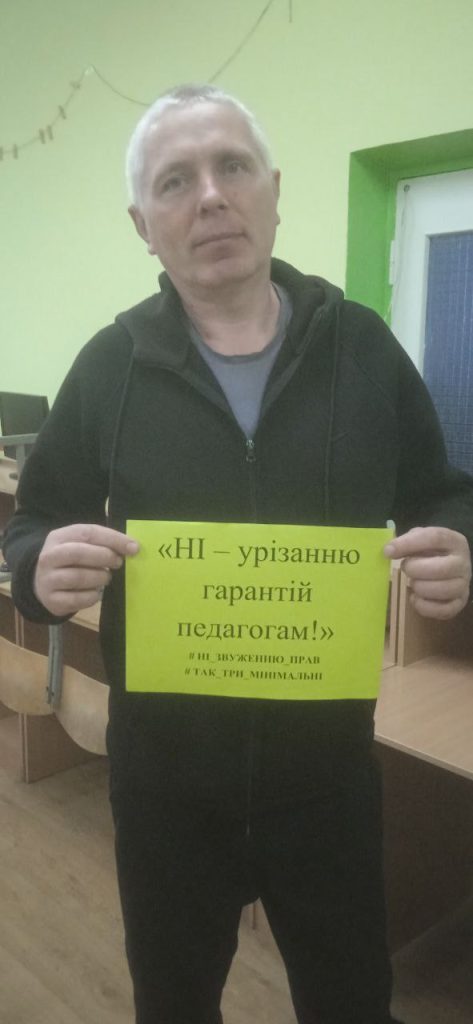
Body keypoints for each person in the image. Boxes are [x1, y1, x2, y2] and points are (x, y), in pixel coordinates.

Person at [4, 84, 473, 1024]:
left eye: (232, 166)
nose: (210, 196)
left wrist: (457, 542)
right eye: (175, 180)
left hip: (328, 778)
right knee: (174, 1002)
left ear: (274, 191)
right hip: (165, 782)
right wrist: (39, 570)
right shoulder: (109, 365)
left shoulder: (362, 349)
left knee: (351, 1001)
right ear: (143, 226)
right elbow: (35, 521)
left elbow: (439, 489)